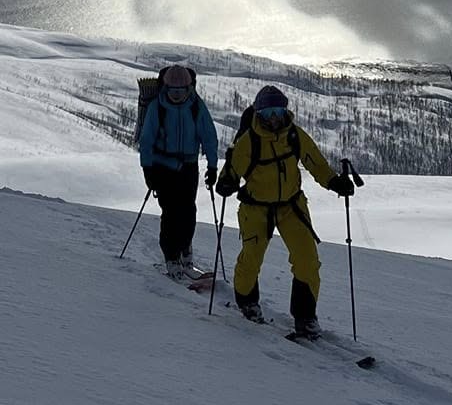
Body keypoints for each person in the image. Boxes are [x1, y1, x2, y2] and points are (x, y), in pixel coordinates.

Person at [216, 84, 356, 336]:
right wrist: (226, 182)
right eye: (268, 112)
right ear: (258, 113)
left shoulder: (295, 135)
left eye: (278, 111)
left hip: (292, 206)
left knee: (308, 260)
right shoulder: (249, 141)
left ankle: (305, 317)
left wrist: (334, 182)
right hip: (256, 208)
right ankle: (247, 302)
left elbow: (316, 164)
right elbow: (232, 171)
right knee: (252, 258)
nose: (274, 118)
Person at [138, 63, 220, 277]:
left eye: (180, 91)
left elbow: (209, 137)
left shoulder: (196, 106)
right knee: (171, 213)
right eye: (172, 91)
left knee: (188, 211)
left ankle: (185, 249)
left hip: (188, 168)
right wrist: (148, 170)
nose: (176, 95)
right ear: (165, 88)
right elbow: (146, 141)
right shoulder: (158, 107)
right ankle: (172, 256)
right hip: (162, 167)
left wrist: (212, 167)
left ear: (189, 89)